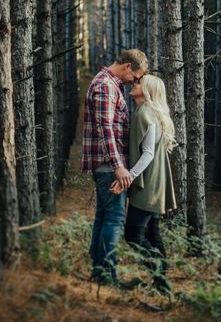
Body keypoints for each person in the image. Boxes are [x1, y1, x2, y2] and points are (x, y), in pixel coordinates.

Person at [81, 49, 149, 287]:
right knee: (114, 219)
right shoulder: (106, 86)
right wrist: (118, 166)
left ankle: (99, 272)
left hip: (108, 164)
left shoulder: (112, 84)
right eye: (137, 76)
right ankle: (108, 277)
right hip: (109, 166)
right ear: (128, 66)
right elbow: (105, 128)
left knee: (103, 217)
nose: (136, 82)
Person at [111, 74, 177, 294]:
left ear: (147, 90)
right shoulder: (150, 112)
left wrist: (127, 177)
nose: (134, 84)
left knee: (133, 234)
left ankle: (159, 276)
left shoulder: (145, 113)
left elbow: (147, 154)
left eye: (139, 83)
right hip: (155, 181)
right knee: (152, 232)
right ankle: (162, 286)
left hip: (148, 183)